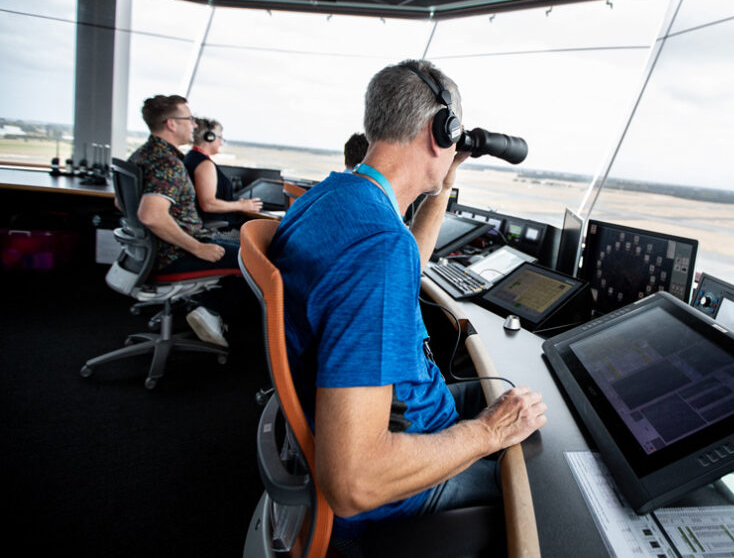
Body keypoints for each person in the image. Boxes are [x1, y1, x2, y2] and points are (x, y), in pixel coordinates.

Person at [270, 60, 547, 546]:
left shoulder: (333, 200)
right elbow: (356, 481)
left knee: (509, 400)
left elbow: (399, 273)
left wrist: (443, 186)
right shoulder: (378, 245)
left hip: (382, 414)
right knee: (543, 492)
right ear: (444, 129)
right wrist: (487, 433)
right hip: (389, 489)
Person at [129, 94, 242, 347]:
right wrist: (197, 248)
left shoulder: (141, 155)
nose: (193, 125)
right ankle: (212, 312)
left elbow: (121, 203)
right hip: (175, 254)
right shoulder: (167, 163)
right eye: (189, 119)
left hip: (150, 253)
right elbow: (150, 215)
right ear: (171, 123)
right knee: (254, 260)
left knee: (244, 250)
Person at [183, 117, 262, 228]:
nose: (221, 142)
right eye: (220, 137)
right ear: (209, 138)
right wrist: (241, 205)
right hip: (218, 230)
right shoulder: (205, 165)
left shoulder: (192, 157)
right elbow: (208, 204)